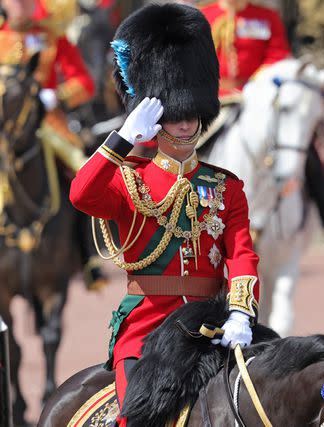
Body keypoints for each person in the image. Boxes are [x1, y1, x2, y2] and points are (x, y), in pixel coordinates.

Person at [69, 4, 260, 423]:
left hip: (215, 324)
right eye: (175, 115)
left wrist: (243, 310)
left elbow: (242, 253)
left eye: (191, 114)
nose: (186, 124)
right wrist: (120, 140)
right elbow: (82, 194)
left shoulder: (225, 187)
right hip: (149, 331)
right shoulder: (128, 179)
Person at [199, 0, 324, 240]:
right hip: (215, 99)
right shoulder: (203, 16)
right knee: (185, 142)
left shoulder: (265, 17)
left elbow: (278, 57)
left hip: (256, 97)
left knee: (300, 143)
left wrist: (256, 88)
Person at [0, 0, 109, 289]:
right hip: (5, 124)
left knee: (83, 171)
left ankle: (88, 258)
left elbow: (84, 82)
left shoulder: (52, 37)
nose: (20, 6)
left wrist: (56, 96)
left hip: (49, 123)